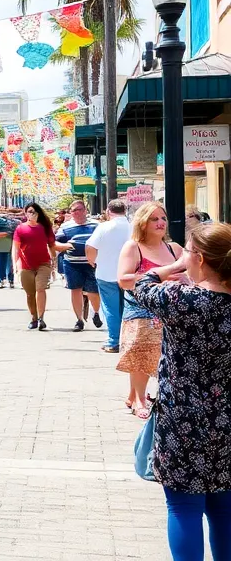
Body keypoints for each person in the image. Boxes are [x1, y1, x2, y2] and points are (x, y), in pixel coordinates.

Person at [125, 221, 231, 560]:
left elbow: (139, 284)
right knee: (224, 507)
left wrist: (171, 266)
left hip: (181, 418)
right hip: (227, 418)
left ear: (198, 258)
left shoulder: (180, 299)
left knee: (183, 505)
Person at [115, 201, 178, 419]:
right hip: (139, 309)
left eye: (163, 218)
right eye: (154, 219)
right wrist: (158, 276)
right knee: (140, 351)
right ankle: (140, 400)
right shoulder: (133, 247)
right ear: (143, 223)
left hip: (167, 310)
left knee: (158, 354)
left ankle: (134, 395)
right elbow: (123, 279)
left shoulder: (174, 248)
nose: (161, 223)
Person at [86, 200, 132, 353]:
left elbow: (90, 246)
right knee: (128, 307)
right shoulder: (133, 226)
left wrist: (92, 261)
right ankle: (128, 339)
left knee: (111, 308)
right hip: (130, 273)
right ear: (124, 210)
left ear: (108, 211)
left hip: (106, 273)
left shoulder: (104, 227)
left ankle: (114, 341)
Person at [55, 200, 103, 332]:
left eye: (79, 209)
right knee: (75, 289)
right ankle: (79, 319)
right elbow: (55, 243)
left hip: (91, 263)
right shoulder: (65, 227)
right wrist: (66, 246)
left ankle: (96, 313)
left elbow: (103, 241)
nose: (77, 213)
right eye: (74, 210)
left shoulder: (96, 225)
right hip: (72, 263)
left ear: (85, 211)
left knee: (93, 290)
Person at [13, 202, 55, 331]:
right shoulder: (20, 229)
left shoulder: (45, 227)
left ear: (38, 214)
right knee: (30, 294)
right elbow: (15, 248)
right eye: (29, 212)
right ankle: (34, 317)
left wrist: (54, 261)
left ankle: (41, 318)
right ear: (25, 214)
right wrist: (15, 264)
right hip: (26, 265)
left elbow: (52, 245)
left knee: (40, 288)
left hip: (43, 263)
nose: (31, 214)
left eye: (34, 212)